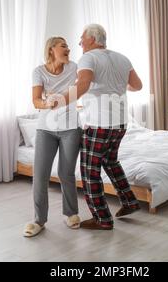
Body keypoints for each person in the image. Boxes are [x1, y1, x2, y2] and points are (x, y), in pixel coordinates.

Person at [50, 24, 143, 230]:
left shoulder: (88, 58)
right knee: (111, 162)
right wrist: (116, 86)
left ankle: (102, 219)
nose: (80, 43)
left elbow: (82, 85)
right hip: (119, 123)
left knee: (90, 171)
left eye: (82, 38)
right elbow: (137, 86)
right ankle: (129, 202)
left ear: (92, 39)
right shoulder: (121, 58)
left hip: (100, 123)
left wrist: (58, 101)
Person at [23, 37, 81, 237]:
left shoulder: (74, 67)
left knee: (66, 173)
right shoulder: (38, 72)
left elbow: (86, 82)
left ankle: (71, 213)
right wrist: (48, 104)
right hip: (46, 128)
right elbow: (36, 101)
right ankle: (39, 220)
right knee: (40, 176)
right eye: (63, 46)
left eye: (68, 46)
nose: (68, 49)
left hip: (71, 127)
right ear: (51, 49)